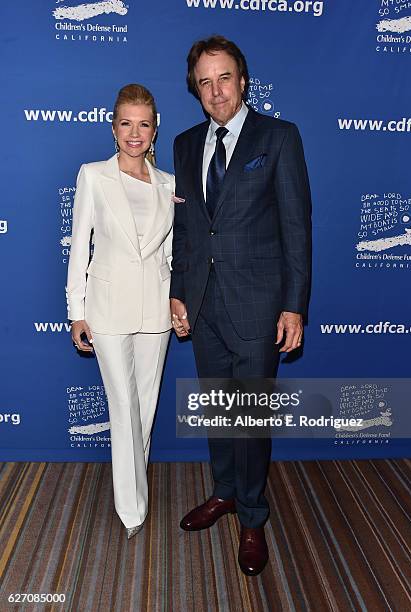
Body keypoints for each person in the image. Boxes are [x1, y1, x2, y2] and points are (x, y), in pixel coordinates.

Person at [170, 36, 312, 575]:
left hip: (259, 307)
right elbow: (187, 229)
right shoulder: (185, 145)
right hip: (203, 306)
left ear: (243, 79)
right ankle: (225, 491)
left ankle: (252, 515)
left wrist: (293, 305)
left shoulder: (279, 137)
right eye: (204, 82)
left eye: (223, 77)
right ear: (196, 90)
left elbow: (297, 229)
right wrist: (178, 291)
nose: (215, 90)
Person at [66, 84, 174, 539]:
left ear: (155, 129)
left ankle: (135, 487)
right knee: (124, 403)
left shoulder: (169, 183)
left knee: (144, 407)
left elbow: (170, 250)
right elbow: (79, 246)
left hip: (156, 309)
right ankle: (132, 507)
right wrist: (76, 310)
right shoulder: (93, 175)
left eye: (143, 123)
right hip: (106, 308)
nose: (135, 132)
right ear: (113, 128)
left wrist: (177, 301)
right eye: (126, 123)